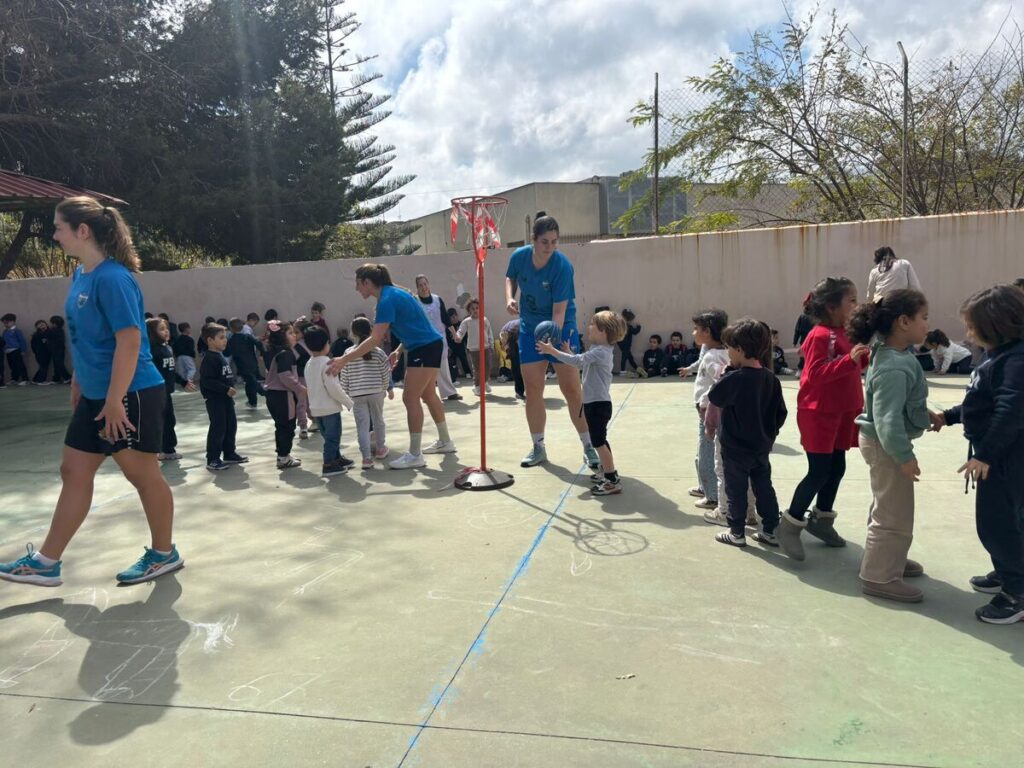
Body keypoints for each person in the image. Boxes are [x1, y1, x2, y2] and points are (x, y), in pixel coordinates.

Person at [0, 196, 181, 587]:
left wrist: (115, 399)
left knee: (142, 475)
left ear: (82, 231)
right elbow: (87, 339)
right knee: (74, 470)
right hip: (98, 394)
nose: (54, 235)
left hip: (129, 393)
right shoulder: (82, 275)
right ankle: (47, 562)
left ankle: (164, 554)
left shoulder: (114, 278)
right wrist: (82, 381)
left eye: (58, 227)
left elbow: (129, 341)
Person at [931, 284, 1024, 624]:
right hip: (997, 456)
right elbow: (979, 401)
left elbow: (1011, 410)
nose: (967, 333)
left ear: (996, 325)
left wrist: (984, 455)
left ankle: (1017, 594)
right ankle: (1009, 572)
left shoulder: (1016, 360)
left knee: (996, 525)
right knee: (1005, 520)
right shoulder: (999, 356)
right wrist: (949, 417)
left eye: (972, 326)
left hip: (1004, 459)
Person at [777, 277, 870, 561]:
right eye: (851, 300)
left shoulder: (846, 331)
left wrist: (861, 355)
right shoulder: (820, 335)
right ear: (831, 307)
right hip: (819, 413)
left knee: (837, 467)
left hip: (843, 411)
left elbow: (855, 364)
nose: (856, 305)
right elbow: (814, 374)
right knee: (819, 471)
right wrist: (850, 359)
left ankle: (822, 520)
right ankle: (790, 525)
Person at [329, 264, 456, 470]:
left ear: (367, 282)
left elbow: (374, 339)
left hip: (424, 349)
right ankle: (445, 441)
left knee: (410, 397)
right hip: (426, 346)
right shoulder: (392, 294)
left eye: (357, 284)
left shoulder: (387, 300)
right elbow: (414, 325)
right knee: (428, 395)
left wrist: (344, 360)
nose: (356, 289)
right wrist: (398, 351)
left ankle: (415, 454)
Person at [847, 289, 931, 602]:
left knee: (887, 505)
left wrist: (927, 414)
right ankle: (879, 576)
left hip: (883, 443)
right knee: (894, 513)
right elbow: (887, 420)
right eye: (924, 318)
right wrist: (904, 457)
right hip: (887, 445)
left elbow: (902, 401)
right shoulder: (894, 365)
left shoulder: (892, 351)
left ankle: (887, 557)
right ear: (903, 322)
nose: (927, 325)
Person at [505, 212, 599, 469]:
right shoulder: (519, 257)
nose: (550, 247)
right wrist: (510, 297)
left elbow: (558, 312)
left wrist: (551, 344)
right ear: (533, 240)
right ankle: (538, 447)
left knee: (571, 390)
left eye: (554, 241)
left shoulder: (562, 266)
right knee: (533, 389)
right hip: (529, 328)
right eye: (545, 241)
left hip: (561, 329)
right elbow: (510, 277)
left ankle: (589, 446)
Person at [707, 319, 787, 547]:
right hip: (761, 447)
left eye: (729, 348)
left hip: (735, 449)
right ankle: (770, 530)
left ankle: (736, 533)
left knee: (736, 490)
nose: (728, 352)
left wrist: (727, 373)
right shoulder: (771, 378)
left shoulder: (735, 378)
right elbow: (781, 412)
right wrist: (770, 434)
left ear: (740, 349)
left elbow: (715, 397)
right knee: (764, 488)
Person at [537, 311, 627, 495]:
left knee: (598, 442)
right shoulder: (599, 351)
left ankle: (611, 480)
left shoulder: (600, 352)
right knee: (599, 440)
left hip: (598, 405)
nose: (589, 327)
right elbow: (580, 362)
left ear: (603, 331)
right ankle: (606, 470)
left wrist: (552, 351)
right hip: (595, 403)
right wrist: (568, 352)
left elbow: (578, 361)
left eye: (593, 325)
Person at [682, 309, 729, 510]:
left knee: (706, 454)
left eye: (696, 329)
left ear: (707, 332)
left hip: (708, 412)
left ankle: (712, 497)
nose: (693, 333)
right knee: (702, 452)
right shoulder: (713, 353)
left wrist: (705, 402)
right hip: (706, 410)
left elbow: (721, 383)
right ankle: (704, 486)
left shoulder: (713, 357)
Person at [340, 317, 394, 470]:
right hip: (376, 391)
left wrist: (347, 393)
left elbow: (344, 375)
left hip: (357, 394)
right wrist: (384, 388)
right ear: (371, 330)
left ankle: (366, 458)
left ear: (353, 333)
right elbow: (386, 372)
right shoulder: (378, 351)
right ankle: (381, 449)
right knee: (378, 421)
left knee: (362, 427)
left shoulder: (348, 352)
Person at [303, 326, 354, 477]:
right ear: (327, 344)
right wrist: (348, 402)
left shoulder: (309, 363)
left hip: (316, 408)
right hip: (330, 408)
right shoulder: (327, 362)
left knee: (329, 437)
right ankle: (329, 464)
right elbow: (333, 387)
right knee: (333, 437)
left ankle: (336, 458)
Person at [199, 323, 246, 471]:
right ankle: (212, 459)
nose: (225, 340)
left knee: (230, 426)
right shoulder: (209, 359)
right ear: (210, 340)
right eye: (221, 338)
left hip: (226, 400)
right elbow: (207, 381)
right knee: (218, 428)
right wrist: (225, 389)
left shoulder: (219, 356)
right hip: (215, 400)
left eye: (225, 337)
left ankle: (229, 453)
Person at [147, 317, 194, 461]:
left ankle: (167, 449)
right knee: (161, 421)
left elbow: (171, 371)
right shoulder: (151, 351)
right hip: (155, 393)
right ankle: (161, 449)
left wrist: (183, 381)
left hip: (166, 392)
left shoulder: (166, 348)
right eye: (161, 329)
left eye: (166, 328)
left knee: (169, 420)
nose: (166, 331)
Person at [263, 320, 305, 469]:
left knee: (281, 426)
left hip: (273, 395)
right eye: (290, 333)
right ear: (282, 337)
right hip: (283, 396)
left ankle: (283, 455)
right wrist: (300, 388)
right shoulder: (286, 354)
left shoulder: (272, 352)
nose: (294, 335)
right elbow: (285, 375)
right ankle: (283, 457)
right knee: (287, 427)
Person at [414, 275, 462, 401]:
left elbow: (445, 318)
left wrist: (454, 333)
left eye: (425, 284)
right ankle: (427, 393)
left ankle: (449, 392)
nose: (424, 287)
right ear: (417, 287)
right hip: (424, 339)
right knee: (427, 367)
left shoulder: (437, 299)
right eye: (420, 285)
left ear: (428, 284)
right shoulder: (415, 301)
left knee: (443, 364)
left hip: (439, 337)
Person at [454, 297, 494, 396]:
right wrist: (458, 337)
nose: (475, 310)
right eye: (473, 308)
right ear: (469, 310)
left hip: (485, 347)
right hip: (474, 348)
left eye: (477, 308)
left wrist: (491, 344)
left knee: (487, 366)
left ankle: (484, 383)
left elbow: (489, 333)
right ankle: (477, 386)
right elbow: (461, 331)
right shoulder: (467, 321)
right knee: (477, 368)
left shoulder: (484, 319)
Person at [227, 317, 265, 408]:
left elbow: (227, 352)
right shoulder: (247, 337)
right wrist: (262, 353)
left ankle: (265, 392)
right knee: (249, 383)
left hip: (242, 365)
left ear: (231, 328)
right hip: (252, 363)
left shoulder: (231, 340)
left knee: (252, 382)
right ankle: (252, 402)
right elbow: (258, 343)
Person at [499, 318, 524, 400]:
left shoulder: (532, 328)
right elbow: (503, 338)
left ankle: (532, 390)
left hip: (526, 340)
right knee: (516, 367)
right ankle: (519, 392)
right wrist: (507, 348)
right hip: (510, 340)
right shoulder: (507, 332)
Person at [2, 313, 29, 385]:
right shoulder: (5, 331)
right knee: (12, 366)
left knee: (20, 365)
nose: (5, 324)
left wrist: (23, 350)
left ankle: (25, 379)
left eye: (7, 322)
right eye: (4, 323)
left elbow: (22, 340)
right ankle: (14, 379)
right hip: (7, 351)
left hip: (15, 350)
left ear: (13, 322)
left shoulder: (17, 330)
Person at [447, 307, 473, 381]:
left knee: (463, 359)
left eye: (455, 316)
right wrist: (448, 347)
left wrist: (467, 346)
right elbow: (447, 338)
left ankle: (467, 372)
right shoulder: (448, 327)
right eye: (452, 317)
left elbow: (465, 336)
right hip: (452, 348)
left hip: (460, 346)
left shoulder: (461, 324)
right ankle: (454, 374)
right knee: (452, 362)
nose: (454, 319)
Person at [616, 309, 642, 377]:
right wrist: (639, 327)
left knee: (629, 357)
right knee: (625, 357)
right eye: (631, 320)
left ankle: (636, 368)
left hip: (621, 344)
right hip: (626, 345)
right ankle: (622, 371)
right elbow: (635, 332)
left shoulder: (620, 326)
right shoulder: (628, 327)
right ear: (629, 320)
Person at [48, 315, 71, 384]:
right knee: (56, 364)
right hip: (58, 350)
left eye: (51, 323)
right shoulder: (60, 330)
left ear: (54, 324)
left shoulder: (54, 330)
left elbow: (56, 341)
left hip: (57, 350)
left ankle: (67, 377)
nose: (50, 324)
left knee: (59, 364)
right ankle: (56, 378)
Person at [172, 322, 197, 386]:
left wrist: (176, 355)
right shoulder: (190, 339)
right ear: (187, 329)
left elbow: (174, 347)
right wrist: (193, 355)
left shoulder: (177, 339)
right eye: (189, 328)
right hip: (187, 356)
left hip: (179, 357)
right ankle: (188, 381)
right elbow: (191, 349)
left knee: (181, 371)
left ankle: (183, 383)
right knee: (192, 369)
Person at [30, 319, 53, 385]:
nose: (42, 326)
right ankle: (41, 380)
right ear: (37, 327)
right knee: (43, 366)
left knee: (43, 367)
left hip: (48, 352)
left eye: (43, 324)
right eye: (40, 325)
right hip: (40, 353)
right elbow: (33, 344)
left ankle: (35, 379)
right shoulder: (36, 335)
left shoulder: (50, 332)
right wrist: (36, 351)